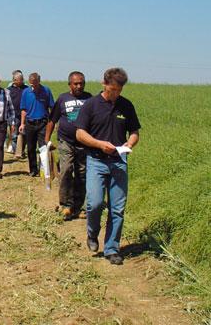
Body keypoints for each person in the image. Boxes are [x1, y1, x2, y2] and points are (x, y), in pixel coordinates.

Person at [75, 67, 141, 265]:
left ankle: (112, 248)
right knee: (94, 203)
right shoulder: (91, 105)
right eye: (113, 90)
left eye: (119, 90)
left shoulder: (126, 106)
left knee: (117, 209)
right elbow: (80, 134)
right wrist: (99, 144)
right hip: (96, 160)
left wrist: (130, 143)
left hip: (119, 162)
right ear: (104, 84)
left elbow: (135, 131)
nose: (116, 94)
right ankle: (92, 233)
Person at [44, 71, 93, 220]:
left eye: (81, 83)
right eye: (76, 83)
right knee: (65, 170)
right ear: (70, 84)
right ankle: (65, 204)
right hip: (66, 141)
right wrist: (47, 140)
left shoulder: (90, 99)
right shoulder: (63, 99)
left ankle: (79, 206)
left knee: (82, 174)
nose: (79, 86)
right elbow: (52, 120)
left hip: (84, 144)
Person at [19, 73, 55, 177]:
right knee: (30, 148)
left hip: (43, 123)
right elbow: (23, 109)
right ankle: (33, 169)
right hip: (29, 123)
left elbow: (52, 107)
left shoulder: (46, 91)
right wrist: (22, 124)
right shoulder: (26, 92)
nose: (33, 87)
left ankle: (44, 169)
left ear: (39, 81)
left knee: (43, 147)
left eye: (35, 84)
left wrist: (53, 122)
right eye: (31, 84)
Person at [7, 72, 28, 155]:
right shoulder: (9, 90)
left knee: (24, 134)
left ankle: (21, 150)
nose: (22, 81)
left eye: (22, 79)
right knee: (14, 135)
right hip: (13, 116)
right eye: (20, 80)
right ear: (14, 80)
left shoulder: (27, 89)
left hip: (25, 115)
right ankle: (16, 151)